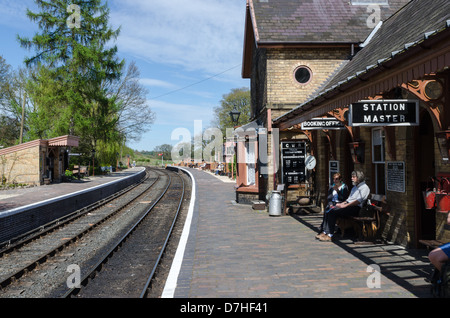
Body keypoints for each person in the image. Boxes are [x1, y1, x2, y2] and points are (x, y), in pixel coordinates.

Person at [318, 170, 370, 242]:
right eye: (352, 177)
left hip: (355, 208)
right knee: (330, 209)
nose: (351, 178)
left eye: (353, 177)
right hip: (349, 206)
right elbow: (349, 199)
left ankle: (330, 235)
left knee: (333, 211)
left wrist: (345, 206)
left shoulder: (364, 188)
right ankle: (326, 232)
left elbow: (358, 201)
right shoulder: (355, 187)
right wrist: (341, 204)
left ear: (359, 178)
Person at [316, 173, 349, 238]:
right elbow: (329, 198)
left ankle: (329, 232)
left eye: (336, 179)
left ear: (340, 179)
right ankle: (324, 231)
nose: (335, 181)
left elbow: (343, 198)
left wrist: (338, 191)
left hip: (340, 204)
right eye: (334, 179)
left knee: (331, 212)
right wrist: (330, 204)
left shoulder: (344, 187)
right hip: (333, 203)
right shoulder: (332, 187)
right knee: (326, 210)